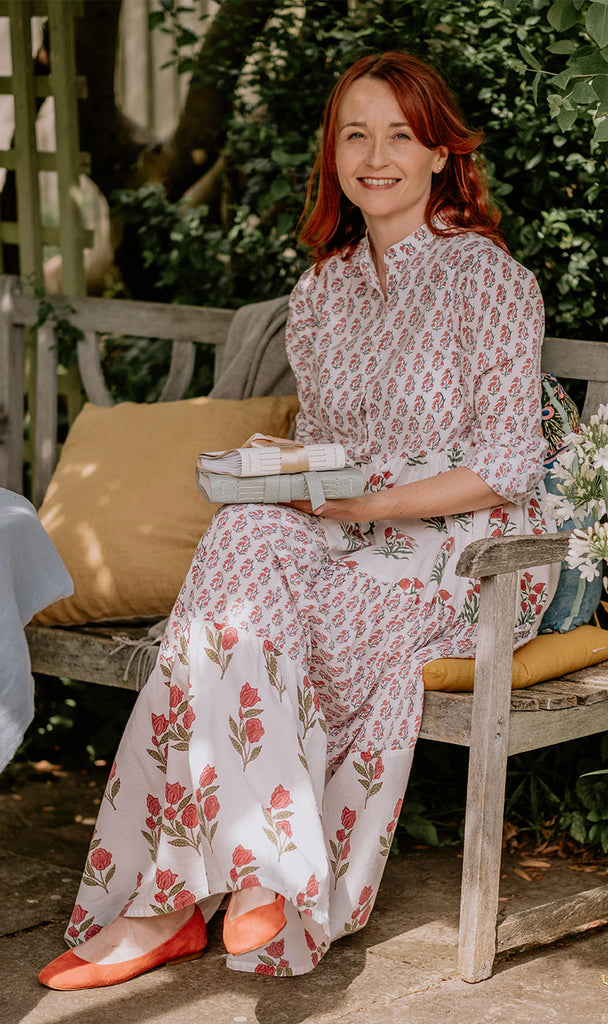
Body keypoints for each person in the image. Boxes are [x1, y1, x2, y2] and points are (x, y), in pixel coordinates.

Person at [39, 50, 558, 990]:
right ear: (332, 154)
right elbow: (325, 453)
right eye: (355, 134)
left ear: (441, 153)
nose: (376, 155)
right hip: (348, 533)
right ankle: (259, 869)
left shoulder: (493, 282)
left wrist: (369, 506)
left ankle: (167, 907)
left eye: (400, 134)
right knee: (240, 546)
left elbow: (508, 466)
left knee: (219, 631)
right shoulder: (320, 293)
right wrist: (287, 487)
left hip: (471, 556)